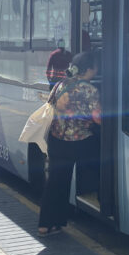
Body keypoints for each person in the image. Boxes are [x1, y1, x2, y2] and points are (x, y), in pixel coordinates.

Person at [38, 51, 101, 237]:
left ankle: (46, 224)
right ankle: (100, 199)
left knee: (56, 182)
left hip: (57, 140)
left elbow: (50, 105)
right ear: (89, 69)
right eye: (96, 66)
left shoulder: (60, 85)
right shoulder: (90, 90)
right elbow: (97, 118)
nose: (97, 69)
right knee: (101, 164)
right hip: (80, 141)